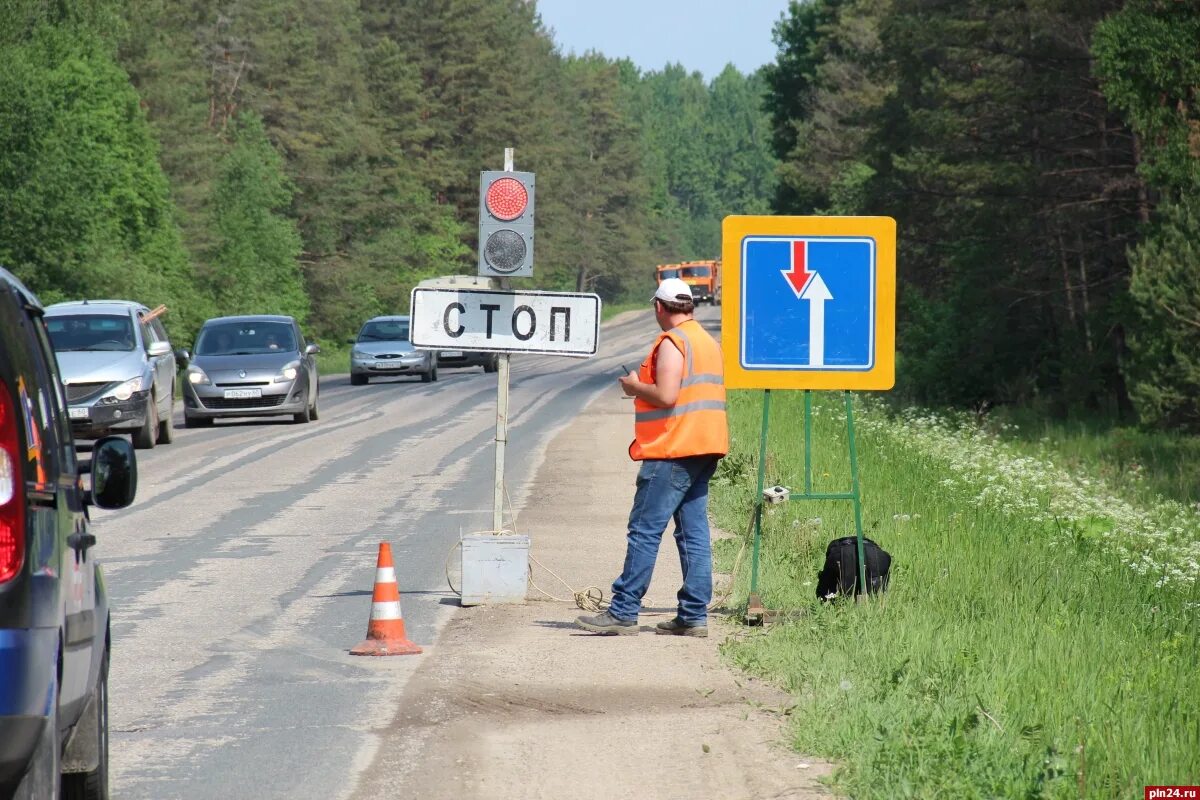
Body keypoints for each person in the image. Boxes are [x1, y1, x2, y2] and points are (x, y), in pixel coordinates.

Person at [576, 278, 728, 637]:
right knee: (693, 534)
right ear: (689, 306)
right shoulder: (706, 341)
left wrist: (633, 387)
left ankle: (624, 611)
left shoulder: (673, 342)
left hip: (672, 448)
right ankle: (693, 616)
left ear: (659, 307)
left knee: (645, 530)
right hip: (704, 445)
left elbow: (666, 395)